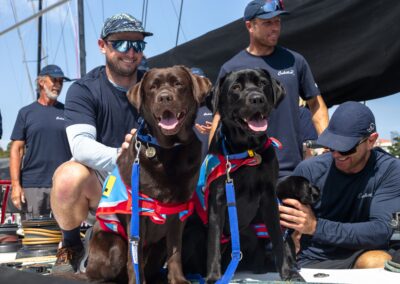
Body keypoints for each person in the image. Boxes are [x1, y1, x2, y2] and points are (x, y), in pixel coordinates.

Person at [50, 13, 153, 273]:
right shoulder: (84, 90)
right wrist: (126, 155)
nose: (131, 52)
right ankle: (70, 244)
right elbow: (81, 147)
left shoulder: (154, 85)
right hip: (105, 181)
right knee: (67, 176)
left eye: (138, 45)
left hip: (150, 183)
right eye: (121, 43)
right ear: (102, 45)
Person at [210, 0, 329, 177]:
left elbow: (315, 105)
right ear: (250, 26)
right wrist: (212, 161)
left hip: (288, 171)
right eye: (267, 23)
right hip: (241, 170)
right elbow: (219, 116)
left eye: (277, 22)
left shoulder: (295, 61)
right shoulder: (231, 68)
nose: (275, 28)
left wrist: (328, 144)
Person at [279, 101, 400, 269]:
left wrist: (315, 227)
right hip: (314, 258)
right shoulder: (309, 170)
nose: (336, 154)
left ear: (371, 141)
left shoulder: (390, 170)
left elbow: (380, 231)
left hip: (363, 253)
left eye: (345, 148)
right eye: (331, 145)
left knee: (376, 261)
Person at [9, 65, 72, 218]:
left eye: (61, 82)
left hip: (63, 184)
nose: (58, 85)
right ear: (42, 82)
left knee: (66, 237)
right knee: (35, 238)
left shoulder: (69, 112)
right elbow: (16, 150)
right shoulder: (25, 113)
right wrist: (16, 185)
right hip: (33, 185)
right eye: (54, 80)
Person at [192, 67, 213, 161]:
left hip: (216, 168)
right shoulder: (180, 112)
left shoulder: (216, 107)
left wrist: (218, 128)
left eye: (201, 81)